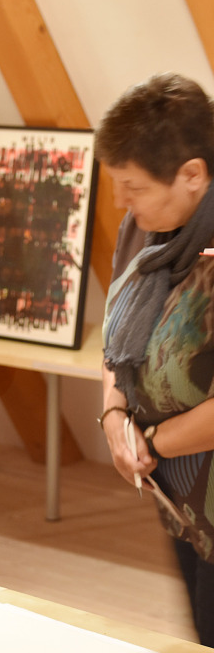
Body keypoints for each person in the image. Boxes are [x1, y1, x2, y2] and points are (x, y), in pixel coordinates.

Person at [94, 72, 214, 646]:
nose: (121, 201)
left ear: (192, 174)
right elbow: (117, 344)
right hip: (182, 501)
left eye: (133, 186)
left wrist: (151, 445)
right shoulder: (145, 231)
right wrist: (115, 419)